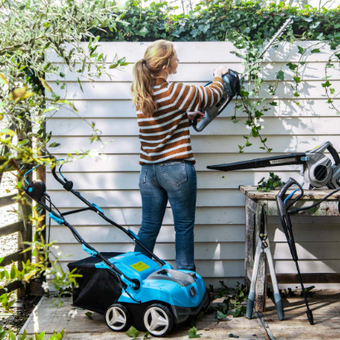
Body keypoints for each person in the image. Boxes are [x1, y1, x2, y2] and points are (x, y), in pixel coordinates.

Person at [131, 40, 229, 271]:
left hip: (148, 172)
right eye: (175, 57)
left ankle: (133, 278)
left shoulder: (142, 94)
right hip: (176, 168)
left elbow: (160, 125)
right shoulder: (174, 91)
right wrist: (218, 75)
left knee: (147, 228)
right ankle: (186, 282)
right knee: (183, 227)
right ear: (165, 65)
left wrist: (185, 118)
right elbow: (212, 94)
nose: (178, 61)